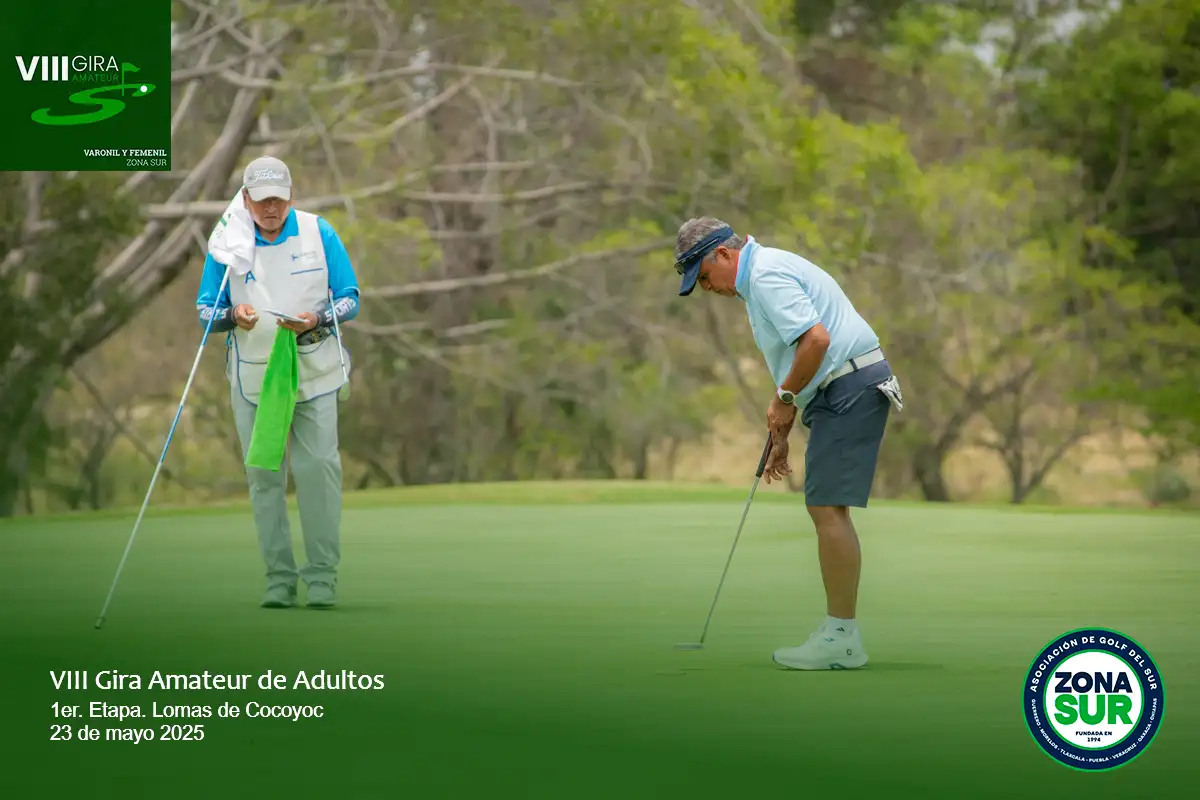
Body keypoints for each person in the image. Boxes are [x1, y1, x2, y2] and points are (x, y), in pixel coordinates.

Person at [674, 217, 903, 670]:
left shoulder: (764, 276)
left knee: (827, 508)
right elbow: (803, 357)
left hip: (850, 385)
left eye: (704, 276)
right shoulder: (759, 276)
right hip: (842, 386)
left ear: (723, 254)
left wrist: (783, 399)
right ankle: (840, 632)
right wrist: (783, 425)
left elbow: (817, 341)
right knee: (825, 507)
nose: (706, 288)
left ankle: (841, 638)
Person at [195, 155, 361, 610]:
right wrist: (233, 315)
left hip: (314, 372)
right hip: (253, 376)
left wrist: (317, 318)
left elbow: (350, 298)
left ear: (291, 197)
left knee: (318, 472)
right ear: (246, 199)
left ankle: (322, 578)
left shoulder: (318, 232)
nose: (271, 208)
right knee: (264, 477)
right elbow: (205, 311)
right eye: (262, 200)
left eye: (279, 200)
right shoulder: (227, 244)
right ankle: (279, 580)